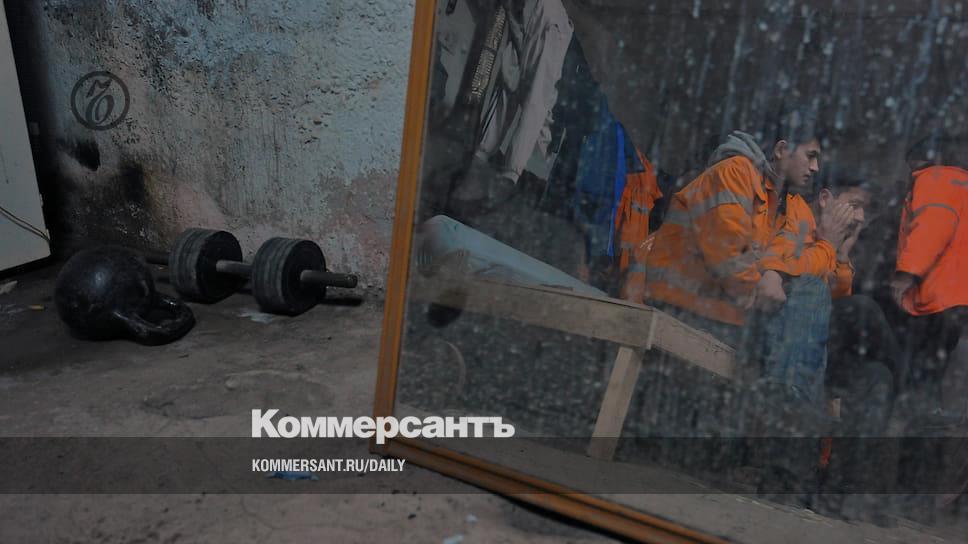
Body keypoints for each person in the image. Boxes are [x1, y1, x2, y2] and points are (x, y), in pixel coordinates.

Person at [642, 111, 855, 411]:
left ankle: (785, 408)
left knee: (810, 306)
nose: (815, 167)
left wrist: (827, 248)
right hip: (684, 306)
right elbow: (728, 257)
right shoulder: (734, 172)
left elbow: (803, 271)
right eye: (810, 156)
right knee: (801, 335)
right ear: (781, 150)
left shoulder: (790, 205)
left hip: (731, 314)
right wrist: (764, 287)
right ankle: (782, 412)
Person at [890, 136, 968, 415]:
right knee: (937, 365)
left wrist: (906, 273)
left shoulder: (935, 179)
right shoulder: (960, 183)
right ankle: (930, 418)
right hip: (958, 294)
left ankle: (920, 419)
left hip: (941, 293)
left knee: (924, 365)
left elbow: (932, 227)